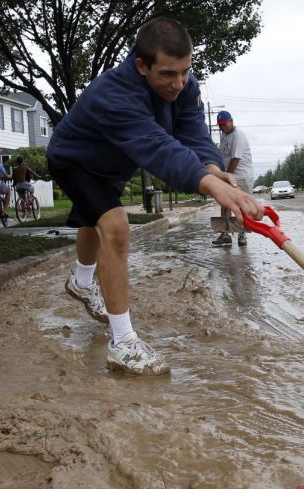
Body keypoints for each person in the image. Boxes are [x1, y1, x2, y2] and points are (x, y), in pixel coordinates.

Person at [46, 17, 263, 375]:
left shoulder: (185, 85)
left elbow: (191, 134)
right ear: (141, 65)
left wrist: (212, 167)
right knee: (115, 227)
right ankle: (123, 343)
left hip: (114, 162)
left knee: (93, 219)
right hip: (75, 160)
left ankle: (81, 282)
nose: (178, 83)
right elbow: (161, 149)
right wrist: (210, 186)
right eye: (167, 74)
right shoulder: (113, 96)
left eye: (185, 71)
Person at [213, 110, 254, 246]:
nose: (222, 127)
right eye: (220, 125)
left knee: (242, 206)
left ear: (231, 121)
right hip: (229, 175)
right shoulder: (224, 136)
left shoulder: (238, 136)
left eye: (224, 124)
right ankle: (225, 235)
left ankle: (242, 235)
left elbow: (235, 159)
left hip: (242, 177)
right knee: (225, 204)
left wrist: (227, 177)